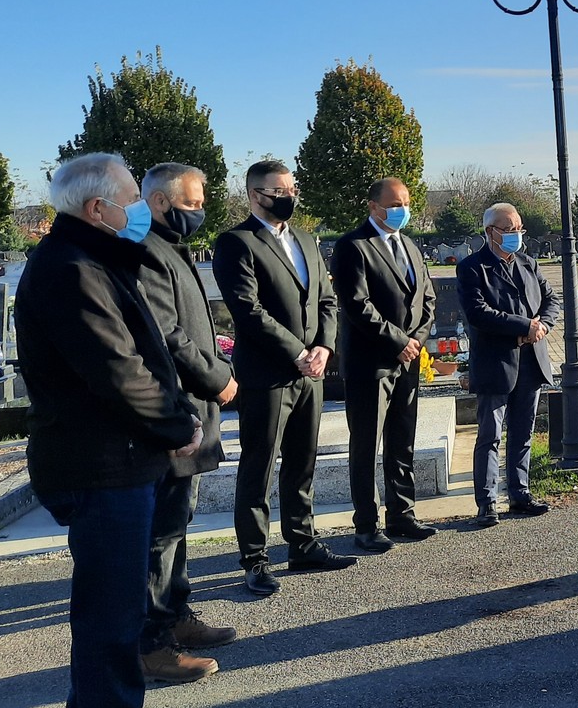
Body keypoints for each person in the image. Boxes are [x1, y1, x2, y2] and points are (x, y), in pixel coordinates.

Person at [15, 152, 201, 708]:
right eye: (131, 199)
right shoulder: (69, 269)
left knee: (116, 606)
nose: (141, 210)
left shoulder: (91, 256)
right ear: (98, 209)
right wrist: (178, 427)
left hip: (116, 458)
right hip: (100, 463)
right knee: (109, 610)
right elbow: (119, 372)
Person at [213, 159, 352, 595]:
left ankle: (302, 542)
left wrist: (324, 348)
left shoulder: (307, 241)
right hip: (268, 375)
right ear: (256, 195)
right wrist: (296, 352)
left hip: (311, 374)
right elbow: (247, 310)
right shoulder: (236, 243)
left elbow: (327, 300)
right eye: (278, 190)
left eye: (291, 188)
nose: (288, 196)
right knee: (258, 467)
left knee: (301, 461)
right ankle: (254, 559)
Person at [136, 164, 240, 684]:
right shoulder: (146, 252)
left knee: (179, 525)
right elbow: (169, 336)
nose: (200, 211)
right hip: (178, 409)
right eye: (193, 202)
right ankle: (151, 641)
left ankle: (176, 614)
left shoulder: (168, 246)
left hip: (194, 410)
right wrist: (218, 376)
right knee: (161, 533)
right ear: (159, 202)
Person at [332, 177, 439, 553]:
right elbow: (357, 305)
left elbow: (427, 296)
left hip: (408, 361)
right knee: (366, 444)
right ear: (373, 206)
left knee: (401, 440)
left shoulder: (409, 244)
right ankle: (366, 524)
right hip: (370, 363)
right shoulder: (353, 246)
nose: (402, 209)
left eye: (406, 202)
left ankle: (402, 514)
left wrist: (416, 342)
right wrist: (398, 342)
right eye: (394, 204)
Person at [457, 203, 559, 527]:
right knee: (490, 435)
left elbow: (551, 300)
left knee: (523, 432)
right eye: (509, 229)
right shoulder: (473, 268)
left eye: (519, 229)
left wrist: (542, 326)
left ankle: (520, 494)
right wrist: (523, 327)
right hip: (496, 364)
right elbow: (478, 312)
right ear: (490, 232)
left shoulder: (528, 263)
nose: (516, 235)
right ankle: (487, 503)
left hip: (531, 361)